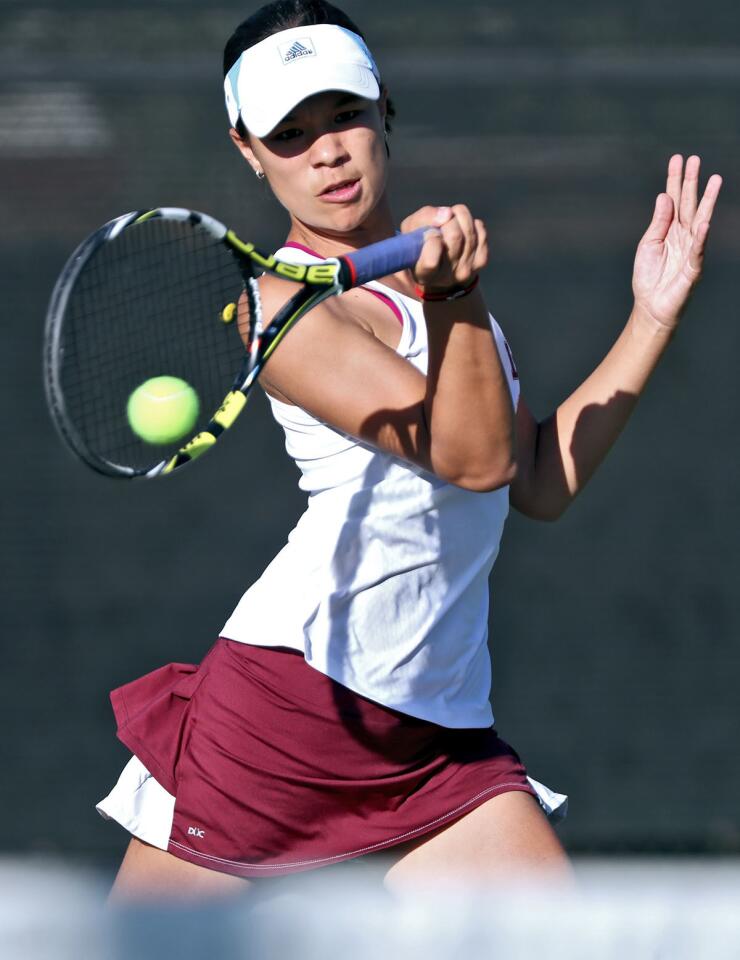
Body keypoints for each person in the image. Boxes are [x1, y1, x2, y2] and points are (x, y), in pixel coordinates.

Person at [97, 0, 721, 900]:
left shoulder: (428, 276)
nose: (328, 153)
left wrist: (650, 315)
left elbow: (536, 479)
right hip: (292, 713)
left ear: (382, 107)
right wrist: (455, 296)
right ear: (247, 150)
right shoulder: (278, 311)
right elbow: (470, 461)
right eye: (291, 134)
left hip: (436, 733)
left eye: (343, 115)